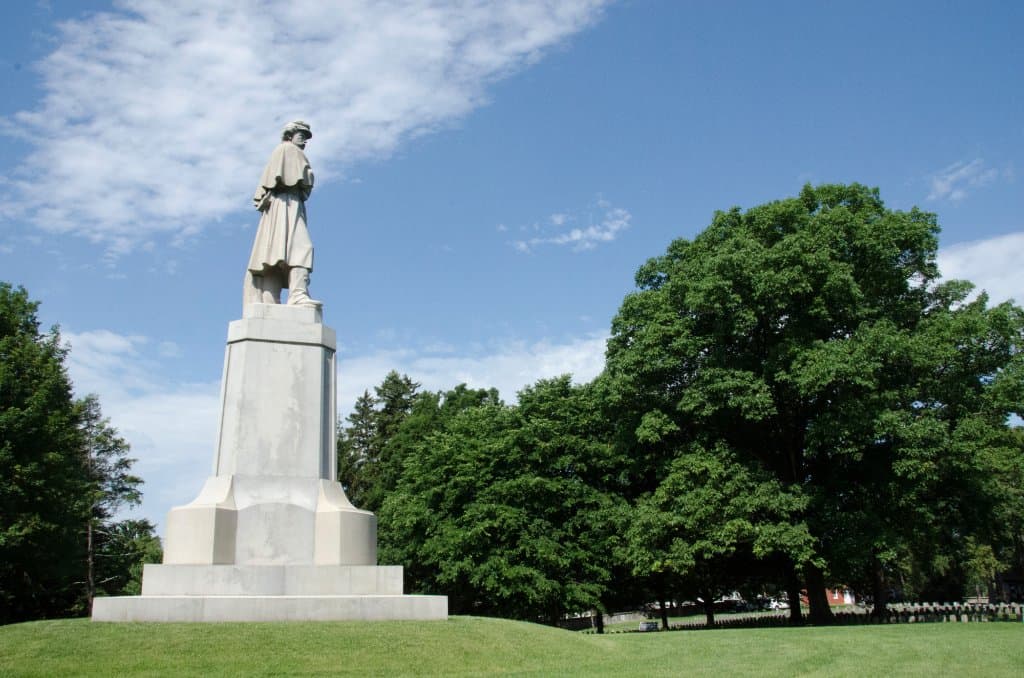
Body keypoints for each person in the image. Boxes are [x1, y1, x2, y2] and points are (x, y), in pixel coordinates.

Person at [243, 120, 320, 308]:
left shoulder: (285, 151)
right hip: (285, 203)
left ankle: (270, 299)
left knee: (276, 253)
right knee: (300, 248)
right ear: (290, 135)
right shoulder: (288, 149)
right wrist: (309, 174)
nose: (304, 140)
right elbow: (297, 178)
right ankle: (298, 294)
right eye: (301, 135)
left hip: (287, 204)